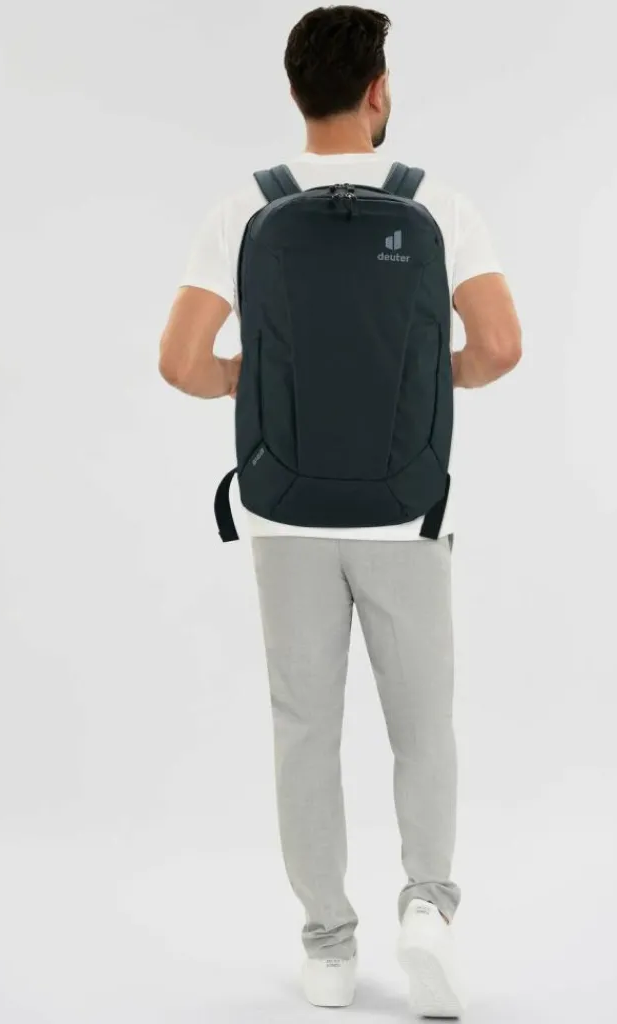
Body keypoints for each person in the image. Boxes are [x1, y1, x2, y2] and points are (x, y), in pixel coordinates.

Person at [158, 6, 522, 1017]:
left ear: (294, 92)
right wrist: (432, 377)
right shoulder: (437, 204)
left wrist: (257, 380)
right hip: (408, 514)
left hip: (284, 514)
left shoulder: (246, 207)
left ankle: (326, 946)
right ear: (378, 90)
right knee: (423, 726)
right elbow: (499, 346)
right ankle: (428, 907)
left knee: (304, 729)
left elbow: (181, 362)